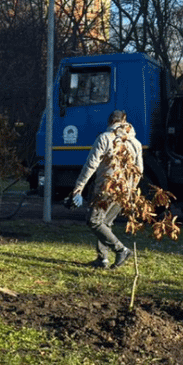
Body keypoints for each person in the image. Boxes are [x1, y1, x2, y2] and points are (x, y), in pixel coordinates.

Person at [68, 110, 143, 270]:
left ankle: (121, 250)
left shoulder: (105, 138)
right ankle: (102, 259)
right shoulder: (135, 143)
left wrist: (78, 188)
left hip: (106, 188)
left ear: (110, 122)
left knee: (94, 221)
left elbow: (91, 165)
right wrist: (131, 191)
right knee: (106, 223)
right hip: (125, 190)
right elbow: (139, 170)